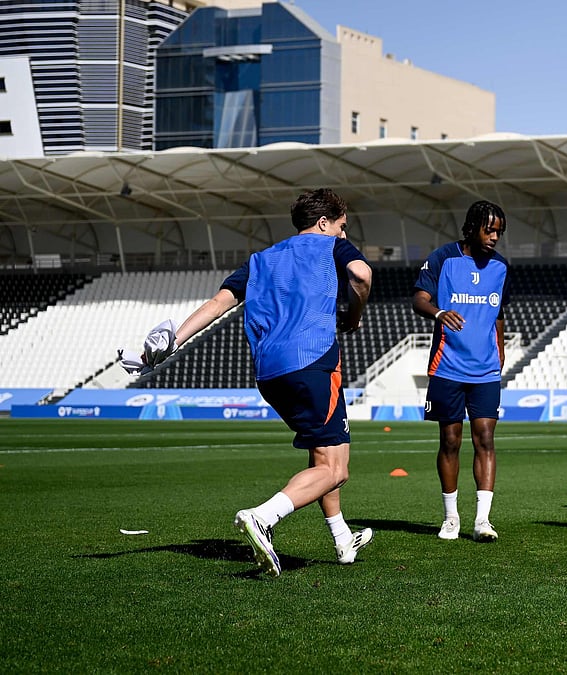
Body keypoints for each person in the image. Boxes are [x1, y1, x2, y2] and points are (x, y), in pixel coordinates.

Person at [131, 188, 374, 577]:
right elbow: (362, 275)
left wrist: (170, 344)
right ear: (325, 223)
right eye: (342, 227)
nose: (344, 235)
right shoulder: (332, 248)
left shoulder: (261, 260)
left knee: (322, 451)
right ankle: (262, 517)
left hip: (268, 371)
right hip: (313, 361)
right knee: (336, 468)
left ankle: (342, 537)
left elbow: (217, 304)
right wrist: (356, 312)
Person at [413, 200, 510, 543]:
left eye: (499, 230)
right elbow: (419, 298)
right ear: (472, 227)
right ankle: (451, 517)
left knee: (485, 439)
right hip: (447, 367)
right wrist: (439, 313)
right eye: (489, 229)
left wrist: (500, 351)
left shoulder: (501, 267)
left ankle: (482, 520)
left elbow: (498, 314)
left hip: (485, 371)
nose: (495, 236)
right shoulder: (443, 258)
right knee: (450, 441)